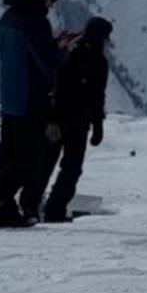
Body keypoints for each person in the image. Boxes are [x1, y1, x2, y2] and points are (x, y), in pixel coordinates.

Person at [0, 0, 62, 228]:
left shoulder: (9, 17)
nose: (51, 6)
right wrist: (61, 49)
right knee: (27, 160)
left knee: (7, 156)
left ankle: (4, 207)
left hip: (10, 97)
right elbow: (48, 64)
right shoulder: (34, 20)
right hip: (31, 99)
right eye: (52, 0)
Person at [38, 16, 113, 223]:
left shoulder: (72, 52)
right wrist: (97, 125)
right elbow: (98, 96)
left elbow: (55, 87)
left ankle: (34, 206)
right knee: (69, 169)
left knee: (47, 165)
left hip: (64, 120)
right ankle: (53, 209)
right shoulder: (94, 60)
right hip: (75, 122)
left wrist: (51, 116)